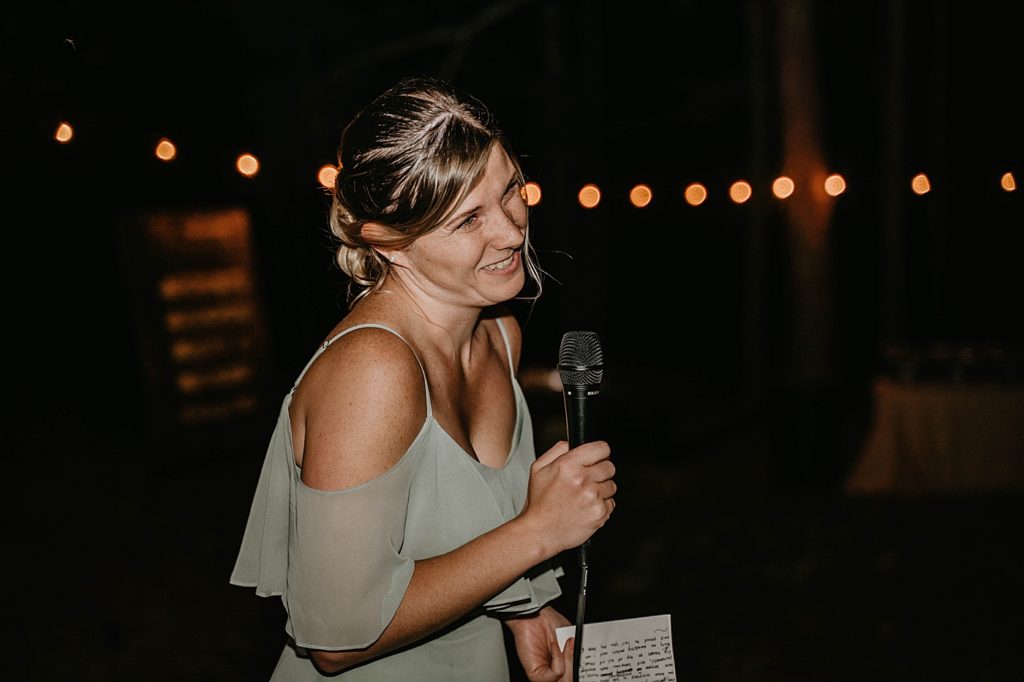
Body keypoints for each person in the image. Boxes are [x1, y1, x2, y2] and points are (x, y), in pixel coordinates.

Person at [229, 75, 616, 681]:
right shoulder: (373, 373)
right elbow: (335, 639)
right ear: (389, 242)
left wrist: (524, 607)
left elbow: (454, 537)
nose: (512, 231)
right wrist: (538, 532)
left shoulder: (498, 333)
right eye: (468, 221)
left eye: (511, 190)